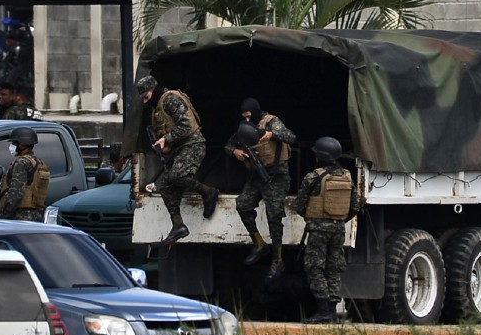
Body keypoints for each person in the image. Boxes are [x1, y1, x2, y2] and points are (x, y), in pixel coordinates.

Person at [138, 76, 219, 246]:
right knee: (165, 184)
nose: (146, 102)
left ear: (152, 91)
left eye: (146, 97)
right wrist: (165, 145)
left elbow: (186, 127)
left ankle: (209, 192)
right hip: (181, 148)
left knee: (176, 176)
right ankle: (178, 225)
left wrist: (166, 139)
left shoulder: (170, 100)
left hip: (194, 144)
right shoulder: (158, 107)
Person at [229, 98, 296, 273]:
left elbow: (291, 136)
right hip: (256, 177)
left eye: (250, 116)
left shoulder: (271, 122)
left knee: (274, 216)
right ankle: (259, 244)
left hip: (276, 177)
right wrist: (235, 151)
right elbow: (229, 144)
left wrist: (272, 135)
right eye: (244, 117)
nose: (247, 120)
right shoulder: (245, 127)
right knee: (242, 205)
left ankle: (278, 260)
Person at [296, 137, 360, 320]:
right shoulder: (347, 177)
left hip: (318, 230)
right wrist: (338, 219)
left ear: (321, 156)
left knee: (314, 267)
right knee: (333, 268)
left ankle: (324, 310)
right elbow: (354, 207)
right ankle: (332, 309)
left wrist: (315, 218)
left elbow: (300, 206)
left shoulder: (313, 177)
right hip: (339, 228)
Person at [0, 126, 49, 221]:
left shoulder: (21, 163)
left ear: (21, 145)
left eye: (14, 143)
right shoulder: (38, 162)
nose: (11, 146)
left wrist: (5, 215)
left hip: (19, 216)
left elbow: (16, 193)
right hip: (35, 215)